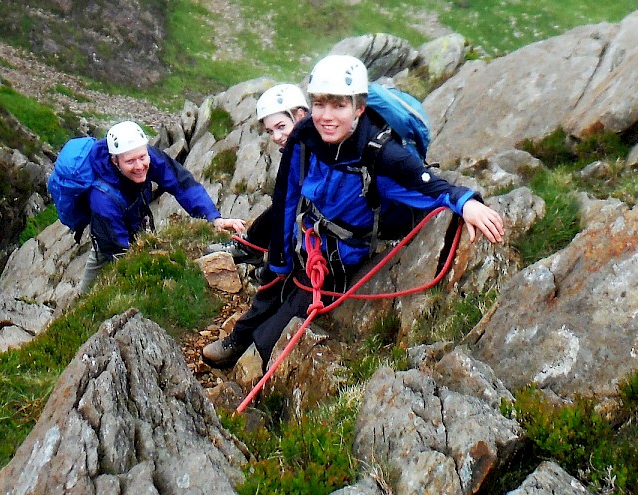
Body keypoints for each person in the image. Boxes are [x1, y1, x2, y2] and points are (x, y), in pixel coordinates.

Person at [201, 54, 504, 368]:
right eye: (320, 105)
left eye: (339, 106)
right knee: (270, 287)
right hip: (305, 239)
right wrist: (279, 258)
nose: (326, 117)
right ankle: (237, 340)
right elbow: (286, 196)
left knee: (277, 330)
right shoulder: (304, 137)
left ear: (359, 108)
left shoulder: (381, 155)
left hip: (336, 261)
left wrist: (466, 202)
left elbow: (429, 186)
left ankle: (255, 365)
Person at [78, 120, 246, 292]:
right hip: (109, 234)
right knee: (91, 288)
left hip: (134, 218)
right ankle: (81, 305)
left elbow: (182, 183)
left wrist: (213, 218)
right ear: (115, 161)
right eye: (130, 162)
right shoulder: (102, 198)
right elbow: (116, 250)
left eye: (142, 157)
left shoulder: (146, 155)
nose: (139, 166)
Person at [205, 83, 310, 265]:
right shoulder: (299, 150)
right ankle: (251, 244)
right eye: (270, 131)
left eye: (281, 126)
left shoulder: (309, 151)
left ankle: (250, 246)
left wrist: (279, 259)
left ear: (300, 115)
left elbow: (288, 204)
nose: (276, 137)